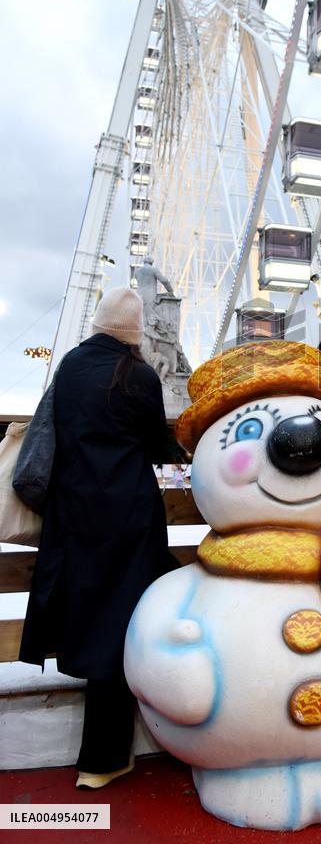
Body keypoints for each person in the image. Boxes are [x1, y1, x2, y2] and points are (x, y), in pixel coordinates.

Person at [19, 287, 176, 789]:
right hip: (128, 515)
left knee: (93, 620)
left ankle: (101, 758)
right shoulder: (139, 376)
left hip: (74, 515)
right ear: (135, 332)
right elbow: (159, 445)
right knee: (124, 624)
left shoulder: (69, 367)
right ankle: (105, 757)